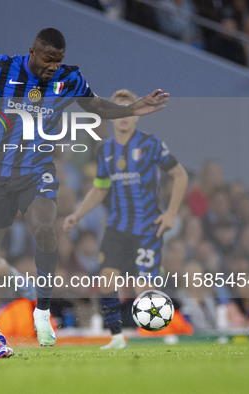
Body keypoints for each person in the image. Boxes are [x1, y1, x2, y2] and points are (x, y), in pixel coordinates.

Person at [0, 27, 169, 346]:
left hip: (37, 171)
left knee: (46, 229)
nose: (53, 66)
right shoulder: (4, 68)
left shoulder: (70, 79)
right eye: (48, 60)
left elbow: (97, 107)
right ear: (33, 51)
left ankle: (42, 311)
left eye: (58, 61)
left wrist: (131, 108)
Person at [63, 89, 188, 349]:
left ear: (137, 115)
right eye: (118, 109)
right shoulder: (105, 150)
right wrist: (78, 214)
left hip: (147, 227)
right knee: (107, 280)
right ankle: (116, 336)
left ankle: (153, 335)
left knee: (143, 285)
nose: (123, 116)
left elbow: (180, 174)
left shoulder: (150, 144)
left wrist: (171, 213)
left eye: (128, 109)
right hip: (117, 226)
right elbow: (99, 188)